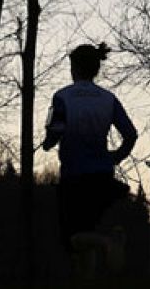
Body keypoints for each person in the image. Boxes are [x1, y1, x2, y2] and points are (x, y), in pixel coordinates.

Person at [42, 43, 138, 250]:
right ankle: (105, 250)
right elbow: (130, 135)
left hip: (74, 176)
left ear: (74, 68)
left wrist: (47, 144)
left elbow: (56, 130)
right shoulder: (108, 98)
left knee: (72, 238)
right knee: (91, 230)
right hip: (103, 175)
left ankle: (108, 243)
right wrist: (116, 157)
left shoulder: (62, 96)